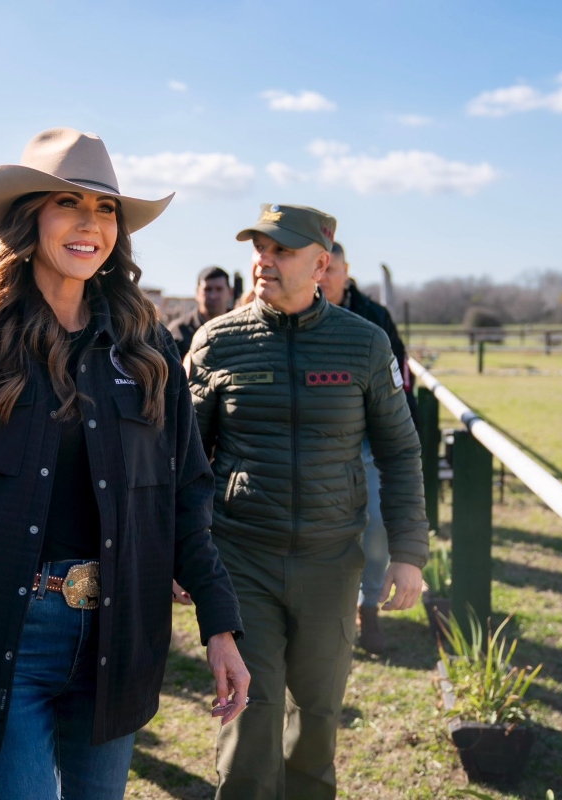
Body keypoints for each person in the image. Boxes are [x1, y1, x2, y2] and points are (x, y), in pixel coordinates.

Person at [0, 127, 249, 800]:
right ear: (28, 218)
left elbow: (186, 495)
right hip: (0, 633)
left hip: (119, 635)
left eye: (105, 209)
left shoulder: (146, 346)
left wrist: (220, 626)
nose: (90, 224)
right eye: (68, 204)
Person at [189, 204, 428, 799]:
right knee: (250, 715)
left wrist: (408, 552)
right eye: (259, 249)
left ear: (321, 265)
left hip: (331, 561)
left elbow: (400, 452)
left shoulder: (364, 344)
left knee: (316, 720)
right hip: (242, 559)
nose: (263, 261)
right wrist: (183, 556)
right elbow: (186, 463)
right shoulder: (217, 342)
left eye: (282, 251)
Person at [318, 241, 418, 654]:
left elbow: (401, 380)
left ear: (345, 272)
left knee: (375, 522)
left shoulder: (375, 318)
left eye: (332, 269)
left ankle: (368, 603)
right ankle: (328, 610)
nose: (324, 277)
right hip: (318, 439)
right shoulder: (295, 312)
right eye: (320, 269)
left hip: (368, 436)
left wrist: (403, 433)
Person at [167, 266, 232, 359]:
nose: (213, 296)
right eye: (207, 289)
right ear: (197, 293)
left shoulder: (240, 326)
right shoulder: (178, 330)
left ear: (230, 292)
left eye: (219, 289)